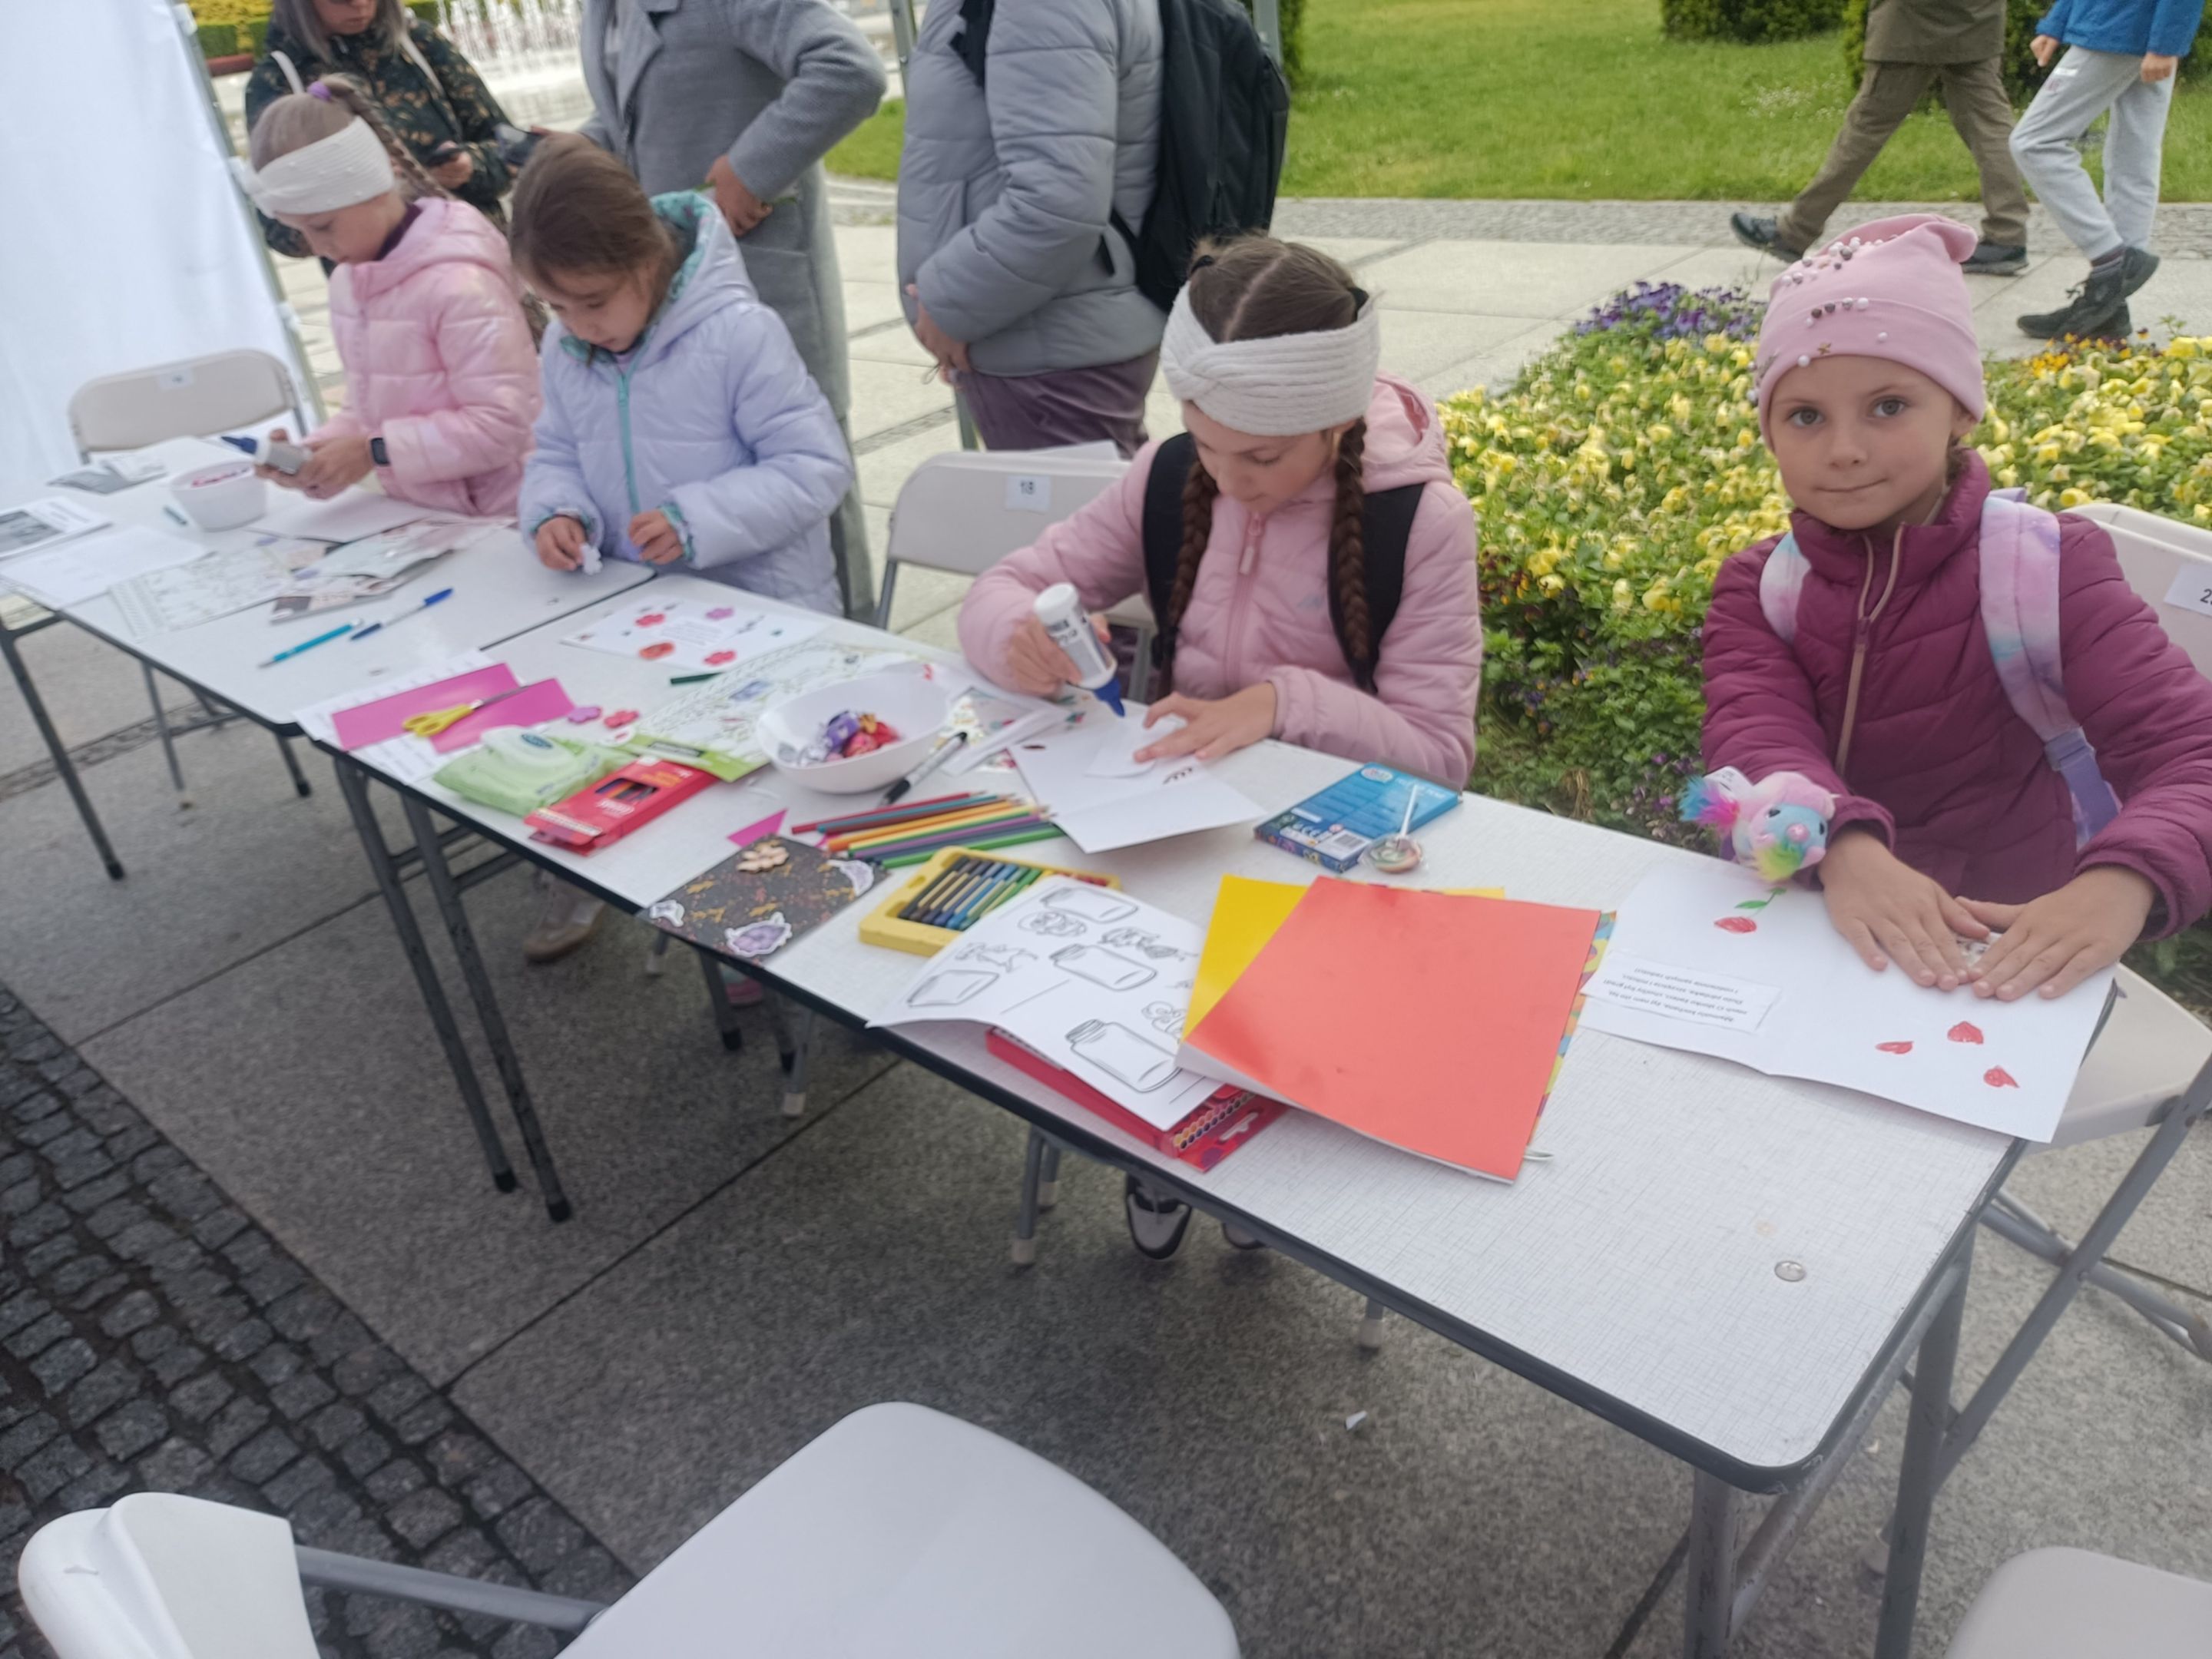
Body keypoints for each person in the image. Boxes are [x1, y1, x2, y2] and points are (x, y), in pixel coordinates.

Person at [958, 237, 1482, 1257]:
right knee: (1152, 1027)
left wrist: (1281, 703)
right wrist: (1014, 637)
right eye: (1208, 444)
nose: (1230, 479)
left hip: (1324, 859)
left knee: (1266, 1037)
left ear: (1337, 421)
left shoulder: (1419, 521)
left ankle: (1257, 1174)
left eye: (1264, 458)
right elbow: (1006, 586)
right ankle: (1164, 1150)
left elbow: (1438, 755)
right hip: (1175, 837)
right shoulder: (1169, 473)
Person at [1704, 214, 2212, 1008]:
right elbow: (1757, 734)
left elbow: (2189, 748)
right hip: (1814, 917)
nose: (1844, 449)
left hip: (2000, 950)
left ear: (1962, 411)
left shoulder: (2046, 566)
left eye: (1888, 406)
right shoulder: (1760, 586)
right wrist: (1843, 846)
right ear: (1768, 430)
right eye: (1805, 415)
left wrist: (2122, 880)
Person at [512, 137, 852, 962]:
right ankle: (642, 888)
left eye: (591, 303)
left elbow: (816, 468)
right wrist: (556, 510)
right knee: (652, 771)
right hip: (648, 621)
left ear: (645, 263)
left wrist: (698, 518)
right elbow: (556, 449)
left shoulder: (739, 335)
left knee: (757, 796)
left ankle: (769, 941)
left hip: (766, 614)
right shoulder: (570, 346)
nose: (576, 326)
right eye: (553, 307)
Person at [575, 0, 886, 621]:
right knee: (721, 501)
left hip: (763, 289)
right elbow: (634, 114)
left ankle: (855, 656)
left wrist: (751, 169)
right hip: (672, 298)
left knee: (807, 496)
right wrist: (579, 153)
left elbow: (850, 68)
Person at [240, 78, 538, 516]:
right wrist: (318, 454)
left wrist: (373, 452)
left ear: (373, 188)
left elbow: (503, 427)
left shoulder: (460, 285)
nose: (316, 247)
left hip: (511, 516)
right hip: (431, 518)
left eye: (322, 226)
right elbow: (367, 408)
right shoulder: (352, 281)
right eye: (299, 231)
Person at [897, 0, 1166, 457]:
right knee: (1116, 498)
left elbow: (1058, 203)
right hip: (1047, 328)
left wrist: (952, 303)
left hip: (1047, 341)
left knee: (1083, 504)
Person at [1732, 0, 2028, 274]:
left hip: (1915, 18)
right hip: (1976, 13)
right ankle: (2007, 235)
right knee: (1989, 123)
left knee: (1867, 124)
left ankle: (1794, 231)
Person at [244, 0, 518, 263]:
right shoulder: (277, 79)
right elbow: (278, 228)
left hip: (479, 258)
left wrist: (472, 165)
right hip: (377, 279)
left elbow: (513, 148)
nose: (361, 3)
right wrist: (361, 199)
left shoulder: (419, 43)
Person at [2008, 0, 2206, 339]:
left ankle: (2111, 262)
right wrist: (2057, 22)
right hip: (2123, 23)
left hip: (2121, 23)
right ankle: (2108, 310)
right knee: (2133, 158)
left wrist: (2167, 43)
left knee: (2033, 142)